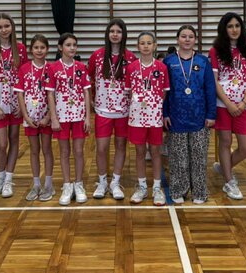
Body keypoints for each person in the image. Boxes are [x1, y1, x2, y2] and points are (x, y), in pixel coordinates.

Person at [163, 25, 216, 204]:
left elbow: (210, 89)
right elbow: (164, 91)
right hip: (176, 117)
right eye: (183, 36)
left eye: (190, 36)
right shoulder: (169, 61)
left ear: (195, 40)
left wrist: (211, 115)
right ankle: (178, 189)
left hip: (199, 117)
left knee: (199, 157)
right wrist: (165, 113)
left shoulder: (203, 61)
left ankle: (199, 192)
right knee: (178, 158)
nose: (187, 40)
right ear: (177, 39)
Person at [88, 18, 137, 200]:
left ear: (124, 35)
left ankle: (115, 182)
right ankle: (102, 182)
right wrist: (91, 99)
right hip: (103, 110)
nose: (115, 34)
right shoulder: (97, 56)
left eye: (119, 31)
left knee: (120, 146)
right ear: (107, 34)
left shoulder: (130, 57)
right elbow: (88, 79)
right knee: (101, 148)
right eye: (112, 31)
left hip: (124, 111)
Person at [210, 12, 246, 201]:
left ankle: (224, 167)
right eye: (230, 26)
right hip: (223, 105)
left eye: (237, 26)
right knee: (225, 142)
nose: (234, 29)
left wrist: (244, 102)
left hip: (242, 106)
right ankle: (229, 181)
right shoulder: (215, 51)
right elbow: (214, 80)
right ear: (224, 29)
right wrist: (228, 103)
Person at [0, 13, 29, 198]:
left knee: (14, 139)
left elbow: (25, 77)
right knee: (2, 144)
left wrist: (21, 104)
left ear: (12, 27)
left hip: (15, 103)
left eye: (6, 26)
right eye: (0, 27)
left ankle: (9, 178)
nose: (3, 30)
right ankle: (0, 177)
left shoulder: (21, 49)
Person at [47, 33, 92, 206]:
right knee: (64, 151)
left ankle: (78, 184)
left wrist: (88, 117)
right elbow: (50, 94)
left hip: (79, 115)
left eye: (74, 45)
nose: (72, 48)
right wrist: (53, 117)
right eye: (68, 45)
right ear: (60, 47)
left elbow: (86, 92)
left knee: (79, 151)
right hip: (61, 116)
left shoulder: (81, 67)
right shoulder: (53, 67)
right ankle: (67, 185)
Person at [125, 32, 169, 206]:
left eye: (149, 43)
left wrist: (154, 106)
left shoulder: (161, 67)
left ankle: (157, 188)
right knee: (140, 152)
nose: (145, 46)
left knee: (156, 151)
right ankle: (142, 187)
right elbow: (129, 92)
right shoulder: (131, 68)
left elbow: (165, 92)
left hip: (155, 117)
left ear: (155, 45)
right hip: (137, 118)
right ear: (137, 46)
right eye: (142, 43)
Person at [14, 34, 55, 202]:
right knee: (34, 150)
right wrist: (25, 116)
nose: (39, 50)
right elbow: (20, 95)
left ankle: (49, 184)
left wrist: (48, 116)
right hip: (30, 117)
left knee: (47, 149)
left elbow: (55, 95)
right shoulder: (24, 69)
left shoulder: (52, 68)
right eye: (36, 47)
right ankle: (36, 184)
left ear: (47, 49)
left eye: (42, 47)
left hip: (47, 118)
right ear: (31, 50)